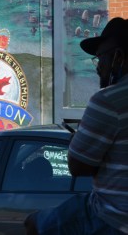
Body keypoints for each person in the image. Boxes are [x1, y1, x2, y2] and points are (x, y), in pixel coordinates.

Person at [25, 17, 128, 234]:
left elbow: (78, 166)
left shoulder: (108, 101)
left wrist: (77, 141)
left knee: (34, 224)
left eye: (101, 58)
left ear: (118, 58)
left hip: (112, 216)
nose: (98, 68)